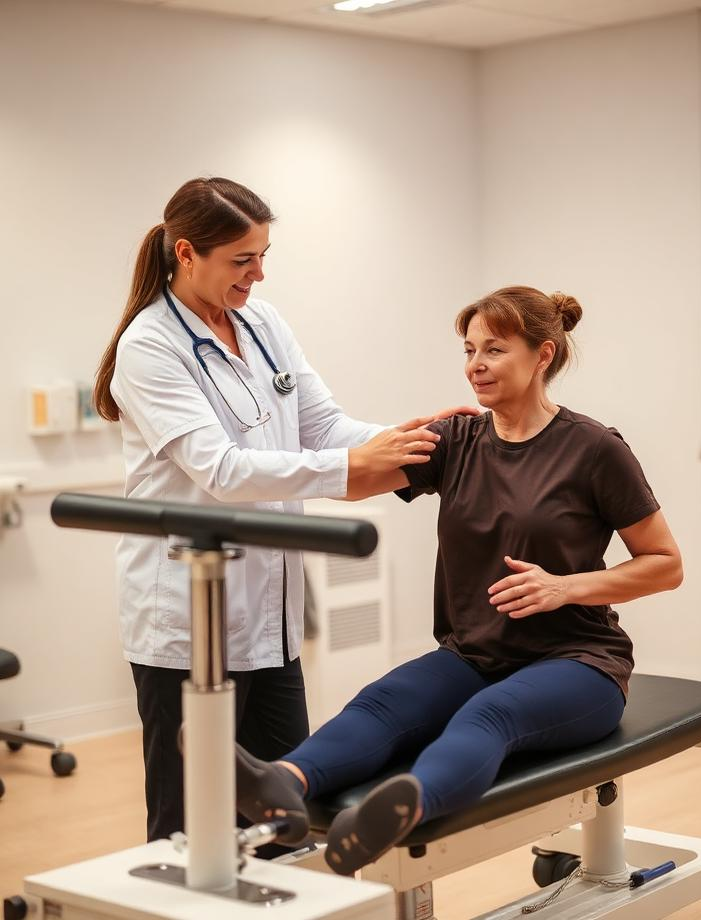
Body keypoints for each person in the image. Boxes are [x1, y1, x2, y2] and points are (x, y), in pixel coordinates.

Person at [239, 284, 684, 875]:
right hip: (474, 653)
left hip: (579, 661)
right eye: (469, 350)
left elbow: (665, 563)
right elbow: (350, 479)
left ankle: (394, 813)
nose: (476, 365)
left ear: (543, 355)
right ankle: (281, 785)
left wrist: (565, 586)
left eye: (495, 350)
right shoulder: (458, 440)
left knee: (487, 718)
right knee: (383, 703)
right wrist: (242, 468)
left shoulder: (594, 449)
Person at [93, 176, 474, 846]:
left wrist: (413, 441)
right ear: (187, 254)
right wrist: (357, 465)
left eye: (263, 255)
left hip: (270, 620)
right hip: (186, 624)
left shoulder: (262, 324)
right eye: (243, 259)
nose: (259, 274)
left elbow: (323, 428)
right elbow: (221, 470)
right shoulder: (150, 346)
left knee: (284, 816)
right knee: (190, 824)